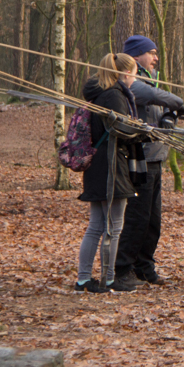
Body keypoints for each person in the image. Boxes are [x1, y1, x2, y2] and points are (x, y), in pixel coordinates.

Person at [113, 35, 184, 289]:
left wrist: (169, 116)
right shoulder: (130, 80)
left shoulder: (150, 77)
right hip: (139, 159)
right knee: (137, 218)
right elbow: (153, 95)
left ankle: (144, 266)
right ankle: (122, 268)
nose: (156, 57)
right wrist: (176, 103)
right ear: (136, 55)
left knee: (153, 220)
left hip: (157, 158)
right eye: (151, 52)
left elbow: (163, 104)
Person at [75, 53, 143, 293]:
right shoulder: (114, 95)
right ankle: (109, 278)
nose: (135, 78)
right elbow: (122, 129)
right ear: (125, 74)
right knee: (113, 225)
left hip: (99, 164)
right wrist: (143, 132)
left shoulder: (99, 93)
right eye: (134, 73)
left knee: (97, 225)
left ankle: (84, 279)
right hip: (110, 164)